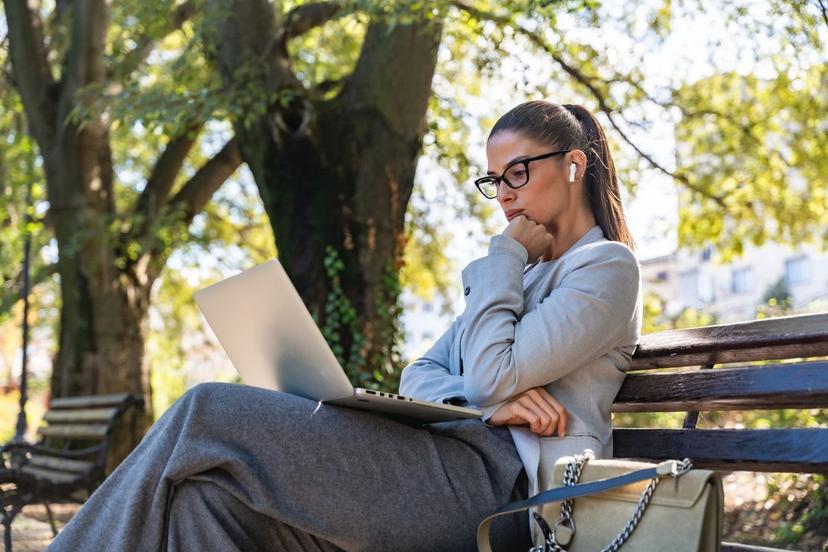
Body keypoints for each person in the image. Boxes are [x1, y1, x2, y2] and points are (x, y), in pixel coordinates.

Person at [46, 100, 641, 552]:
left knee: (206, 411)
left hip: (513, 493)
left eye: (517, 173)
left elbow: (489, 375)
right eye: (494, 181)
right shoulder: (516, 279)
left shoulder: (604, 269)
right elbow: (422, 374)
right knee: (206, 503)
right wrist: (488, 405)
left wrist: (503, 263)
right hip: (446, 461)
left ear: (573, 166)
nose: (505, 198)